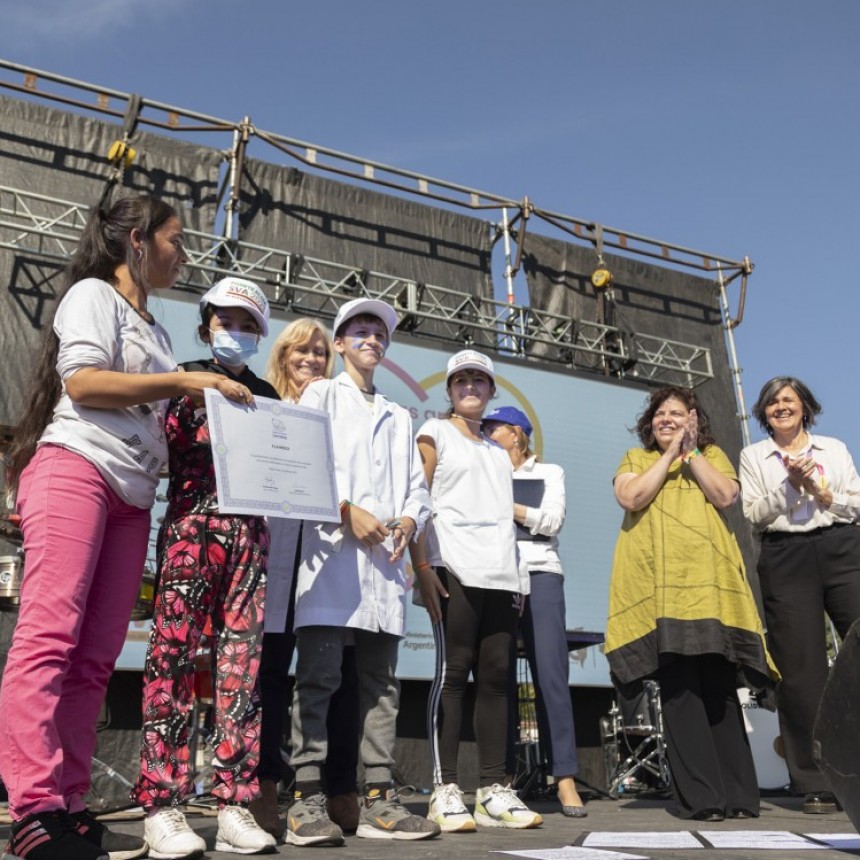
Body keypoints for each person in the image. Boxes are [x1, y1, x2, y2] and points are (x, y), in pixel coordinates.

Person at [0, 196, 249, 860]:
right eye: (176, 239)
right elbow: (82, 383)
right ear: (137, 241)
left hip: (131, 499)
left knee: (95, 659)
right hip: (75, 470)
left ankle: (71, 805)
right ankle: (33, 808)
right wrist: (181, 380)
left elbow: (155, 412)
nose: (183, 253)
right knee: (48, 640)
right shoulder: (92, 295)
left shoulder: (158, 332)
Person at [130, 276, 279, 858]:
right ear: (205, 327)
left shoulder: (268, 394)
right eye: (226, 322)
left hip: (251, 537)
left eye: (248, 326)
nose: (235, 334)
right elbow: (155, 448)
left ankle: (234, 804)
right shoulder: (182, 377)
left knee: (241, 670)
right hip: (192, 528)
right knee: (172, 659)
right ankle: (162, 806)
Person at [285, 298, 439, 845]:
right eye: (360, 330)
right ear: (343, 342)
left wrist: (404, 518)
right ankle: (305, 799)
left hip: (385, 567)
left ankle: (378, 798)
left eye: (379, 332)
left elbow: (418, 492)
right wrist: (347, 511)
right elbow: (303, 467)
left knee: (381, 685)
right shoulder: (320, 394)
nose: (372, 338)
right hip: (330, 558)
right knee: (320, 679)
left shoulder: (400, 416)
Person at [605, 386, 778, 822]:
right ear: (650, 424)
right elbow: (631, 497)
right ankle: (703, 800)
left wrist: (693, 452)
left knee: (719, 690)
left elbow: (725, 497)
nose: (666, 418)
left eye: (677, 413)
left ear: (694, 419)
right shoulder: (636, 459)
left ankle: (739, 797)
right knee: (680, 691)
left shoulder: (713, 454)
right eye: (660, 413)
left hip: (712, 591)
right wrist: (668, 457)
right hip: (663, 593)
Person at [410, 351, 541, 832]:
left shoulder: (496, 451)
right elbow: (417, 500)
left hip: (501, 574)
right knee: (454, 673)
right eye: (461, 379)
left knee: (497, 676)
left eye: (479, 380)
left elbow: (502, 518)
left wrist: (519, 576)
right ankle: (445, 789)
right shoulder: (434, 434)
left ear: (491, 390)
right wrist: (421, 564)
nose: (470, 386)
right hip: (453, 568)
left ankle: (491, 790)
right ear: (449, 391)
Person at [251, 318, 361, 839]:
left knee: (333, 677)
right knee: (269, 675)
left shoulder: (341, 411)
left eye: (320, 351)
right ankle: (264, 787)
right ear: (283, 354)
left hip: (325, 557)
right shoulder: (261, 404)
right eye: (302, 350)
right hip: (274, 554)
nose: (312, 359)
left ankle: (332, 788)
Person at [739, 376, 860, 814]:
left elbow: (855, 502)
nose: (781, 407)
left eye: (789, 400)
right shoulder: (754, 456)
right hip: (785, 556)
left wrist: (823, 494)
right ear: (764, 412)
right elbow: (754, 512)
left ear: (805, 406)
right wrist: (791, 485)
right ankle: (817, 780)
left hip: (842, 547)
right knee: (800, 667)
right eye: (772, 403)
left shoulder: (834, 448)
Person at [482, 406, 586, 818]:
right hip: (496, 573)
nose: (487, 433)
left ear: (516, 433)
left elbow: (552, 521)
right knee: (498, 676)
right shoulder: (483, 471)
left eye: (493, 428)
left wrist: (506, 507)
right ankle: (501, 780)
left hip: (542, 573)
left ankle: (564, 778)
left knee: (551, 674)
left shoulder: (550, 472)